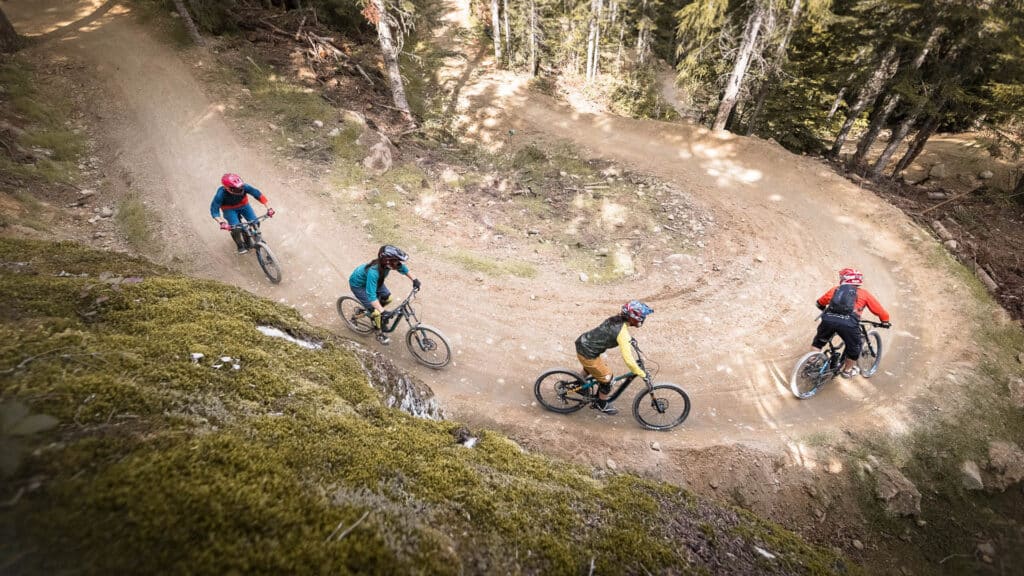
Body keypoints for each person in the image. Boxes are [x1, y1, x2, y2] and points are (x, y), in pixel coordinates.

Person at [574, 300, 654, 415]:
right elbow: (629, 361)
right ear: (633, 318)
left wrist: (629, 340)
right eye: (641, 317)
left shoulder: (616, 320)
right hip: (588, 353)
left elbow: (612, 333)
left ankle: (579, 383)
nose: (642, 319)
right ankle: (601, 404)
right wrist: (642, 374)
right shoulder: (623, 334)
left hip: (584, 343)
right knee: (608, 380)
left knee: (593, 368)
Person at [813, 267, 891, 378]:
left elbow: (819, 303)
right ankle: (847, 371)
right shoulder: (864, 294)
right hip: (849, 323)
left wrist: (831, 312)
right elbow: (878, 310)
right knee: (855, 347)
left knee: (818, 343)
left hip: (828, 319)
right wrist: (885, 321)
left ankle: (810, 363)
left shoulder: (836, 289)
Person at [349, 245, 421, 344]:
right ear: (387, 261)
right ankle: (378, 333)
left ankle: (372, 312)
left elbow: (403, 268)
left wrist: (415, 279)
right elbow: (371, 296)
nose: (398, 263)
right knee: (376, 312)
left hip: (376, 282)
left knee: (388, 298)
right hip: (358, 285)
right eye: (395, 261)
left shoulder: (388, 264)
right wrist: (382, 311)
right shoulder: (374, 272)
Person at [211, 173, 274, 254]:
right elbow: (214, 211)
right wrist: (222, 223)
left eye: (241, 187)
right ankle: (240, 245)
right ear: (227, 188)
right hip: (229, 209)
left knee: (255, 222)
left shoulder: (245, 186)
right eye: (237, 189)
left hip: (244, 205)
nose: (240, 189)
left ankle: (256, 237)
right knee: (236, 228)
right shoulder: (220, 195)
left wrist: (269, 208)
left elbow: (258, 195)